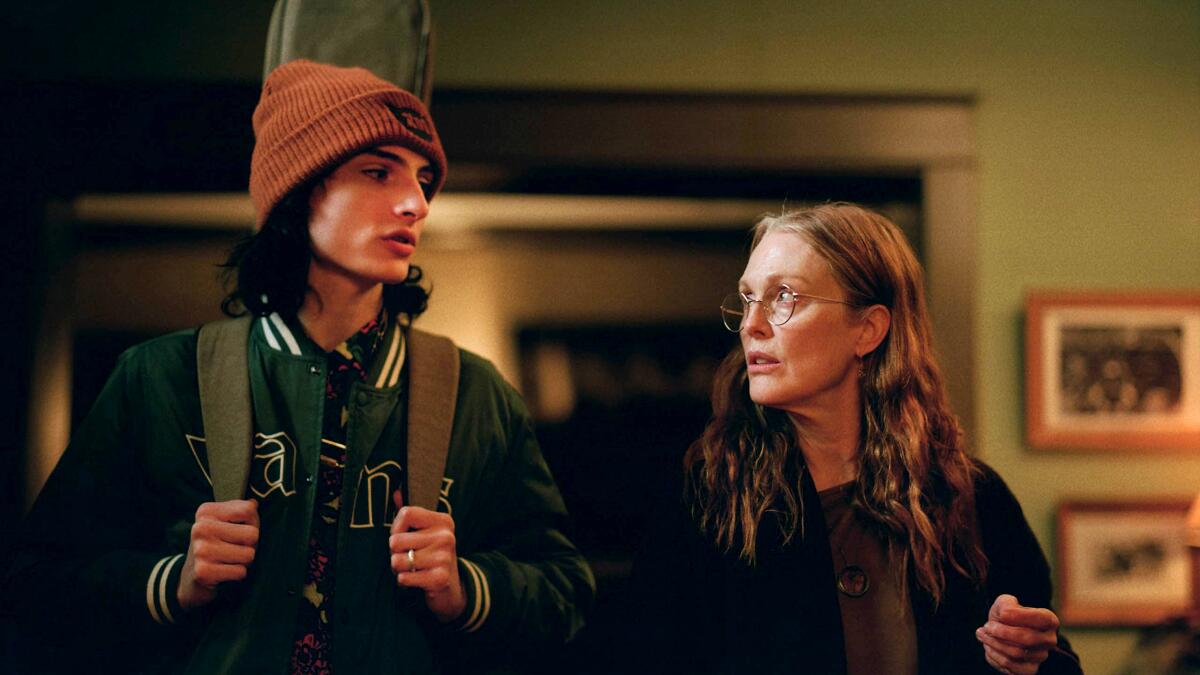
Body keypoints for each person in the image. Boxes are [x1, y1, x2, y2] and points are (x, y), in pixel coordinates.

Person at [4, 60, 594, 674]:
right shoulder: (157, 378)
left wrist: (469, 589)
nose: (417, 202)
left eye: (422, 180)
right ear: (299, 188)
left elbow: (566, 596)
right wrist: (171, 581)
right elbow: (35, 586)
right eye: (377, 172)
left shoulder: (477, 394)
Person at [630, 203, 1082, 674]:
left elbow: (1052, 659)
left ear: (867, 330)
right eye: (748, 299)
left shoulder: (971, 500)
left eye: (784, 296)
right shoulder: (709, 500)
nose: (751, 325)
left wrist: (1028, 660)